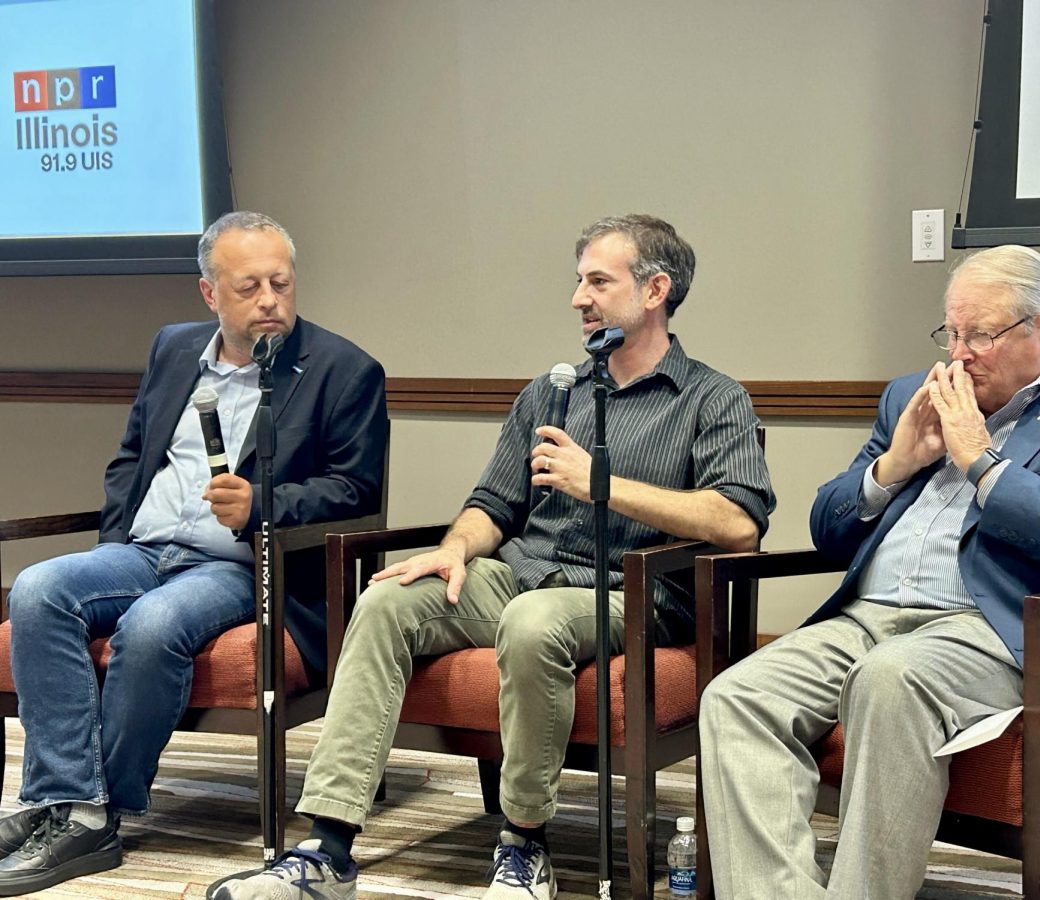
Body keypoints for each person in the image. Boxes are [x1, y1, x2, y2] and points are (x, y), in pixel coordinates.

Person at [210, 214, 775, 900]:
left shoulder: (712, 398)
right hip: (522, 573)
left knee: (532, 624)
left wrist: (601, 486)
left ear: (656, 290)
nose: (579, 298)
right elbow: (493, 503)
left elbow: (739, 522)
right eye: (578, 281)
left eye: (598, 281)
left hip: (634, 590)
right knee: (388, 599)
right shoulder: (552, 391)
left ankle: (523, 843)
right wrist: (451, 551)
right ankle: (329, 850)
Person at [700, 244, 1040, 899]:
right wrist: (892, 464)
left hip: (997, 628)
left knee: (890, 680)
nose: (959, 354)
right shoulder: (911, 396)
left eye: (980, 334)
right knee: (738, 696)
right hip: (869, 617)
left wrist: (983, 463)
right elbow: (828, 529)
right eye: (951, 332)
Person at [0, 211, 389, 896]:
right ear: (210, 293)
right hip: (144, 549)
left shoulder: (343, 370)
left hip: (244, 567)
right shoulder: (173, 348)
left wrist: (262, 506)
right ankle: (61, 800)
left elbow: (355, 490)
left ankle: (92, 816)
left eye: (281, 283)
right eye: (249, 287)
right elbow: (131, 458)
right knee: (37, 587)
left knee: (151, 626)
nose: (270, 301)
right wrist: (116, 541)